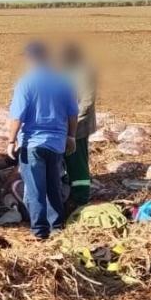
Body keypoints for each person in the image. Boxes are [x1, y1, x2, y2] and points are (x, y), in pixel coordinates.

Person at [7, 42, 77, 240]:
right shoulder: (63, 81)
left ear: (30, 59)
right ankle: (57, 228)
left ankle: (39, 231)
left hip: (32, 144)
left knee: (35, 190)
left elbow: (17, 117)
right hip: (56, 144)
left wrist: (11, 141)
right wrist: (71, 136)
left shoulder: (25, 83)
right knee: (54, 186)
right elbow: (73, 114)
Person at [59, 42, 96, 212]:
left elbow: (87, 102)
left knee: (77, 162)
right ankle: (68, 192)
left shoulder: (84, 72)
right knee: (66, 160)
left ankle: (81, 197)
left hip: (79, 126)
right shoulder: (62, 71)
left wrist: (72, 124)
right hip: (63, 125)